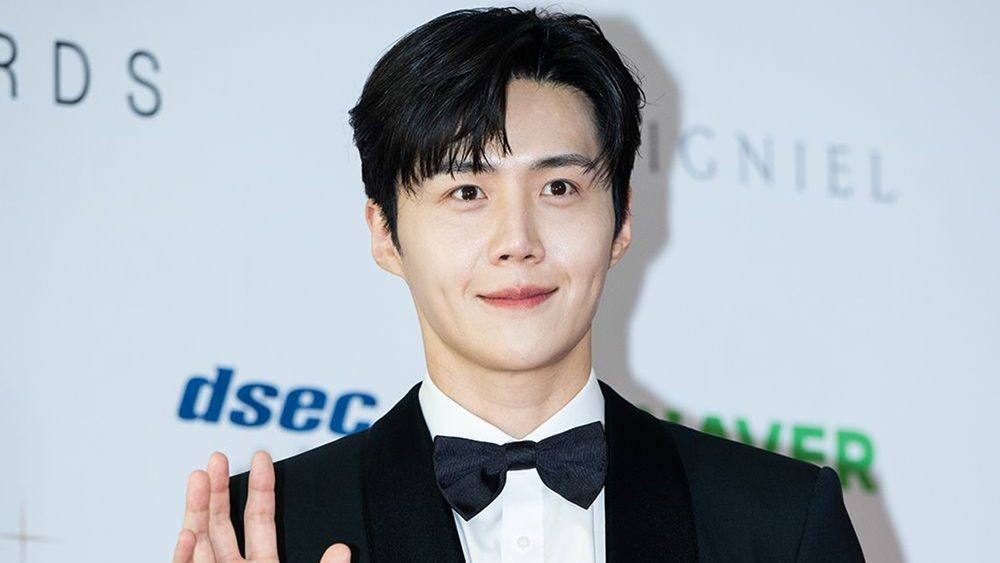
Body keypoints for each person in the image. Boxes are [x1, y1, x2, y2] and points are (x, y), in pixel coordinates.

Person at [172, 7, 865, 563]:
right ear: (385, 233)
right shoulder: (271, 529)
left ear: (622, 220)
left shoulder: (780, 522)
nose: (518, 241)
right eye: (467, 191)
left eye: (559, 187)